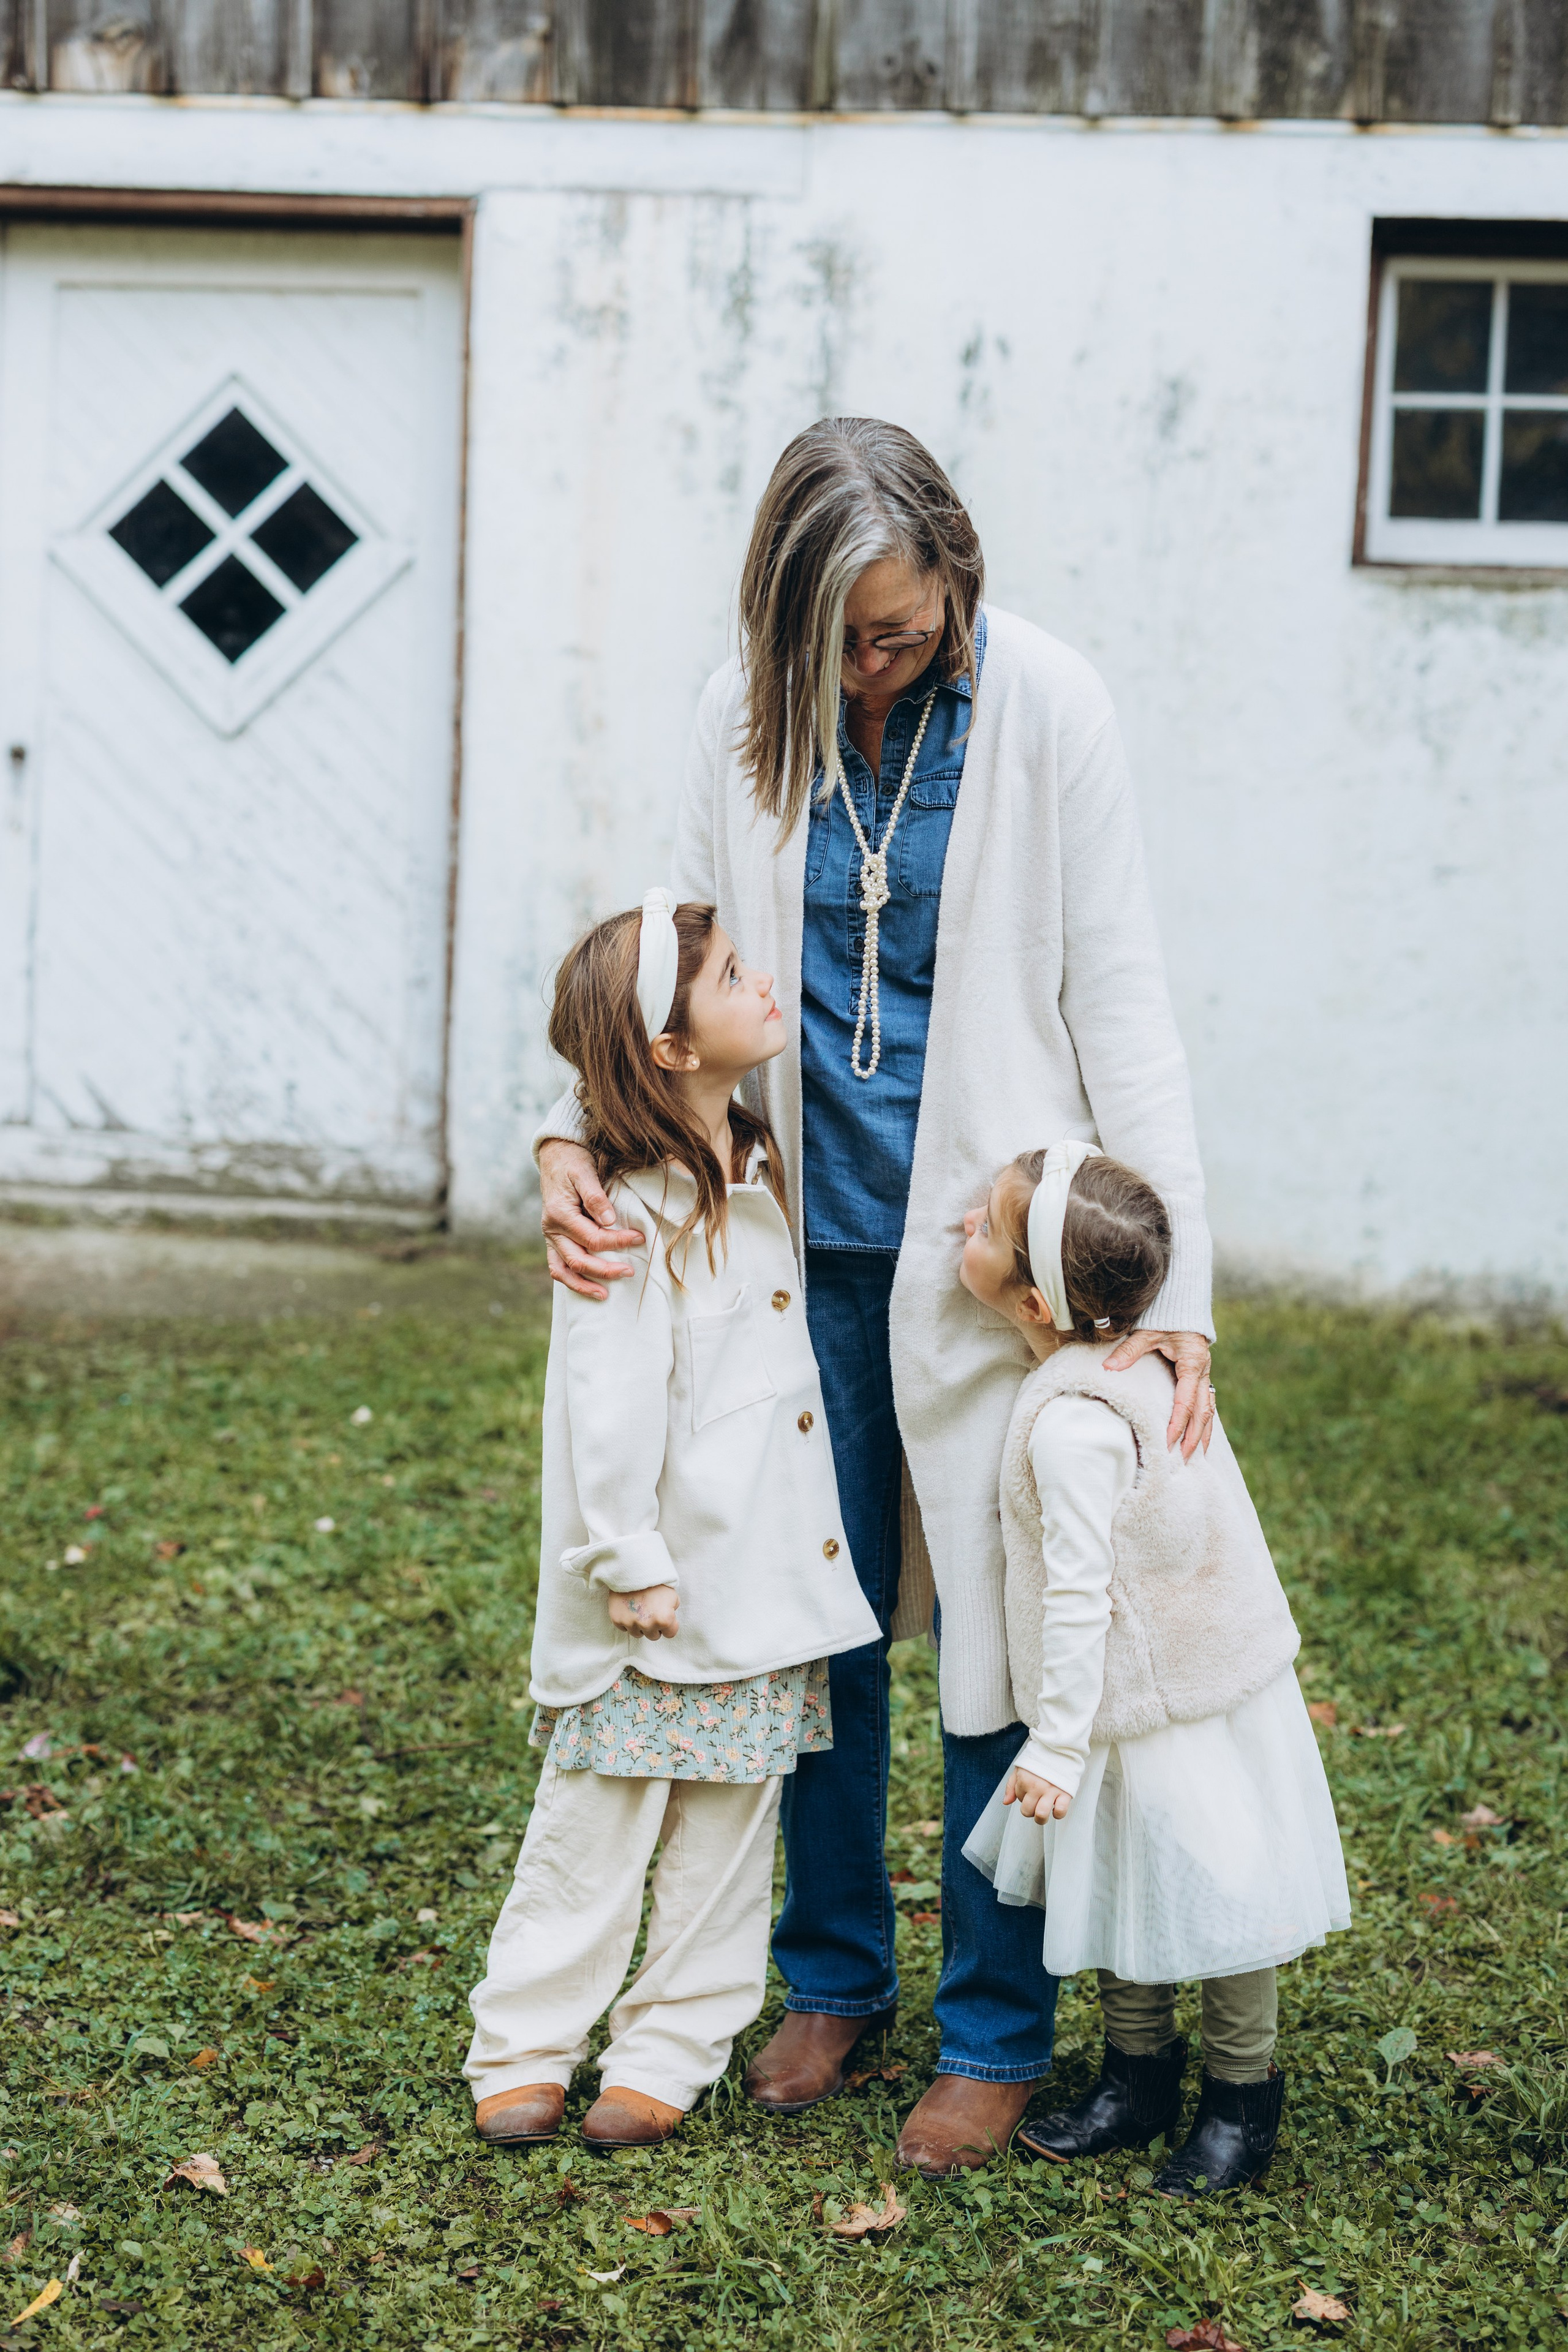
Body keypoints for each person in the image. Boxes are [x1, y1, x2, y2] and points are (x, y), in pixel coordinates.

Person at [537, 417, 1218, 2179]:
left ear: (958, 584)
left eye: (896, 637)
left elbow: (1121, 994)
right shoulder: (739, 710)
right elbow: (667, 964)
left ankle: (993, 2029)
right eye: (831, 641)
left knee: (1000, 1637)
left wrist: (1176, 1297)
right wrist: (570, 1139)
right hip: (783, 1260)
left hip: (998, 1275)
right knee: (805, 1629)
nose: (863, 671)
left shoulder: (1049, 706)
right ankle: (830, 1978)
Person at [466, 891, 880, 2152]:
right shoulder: (622, 1209)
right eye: (733, 977)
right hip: (657, 1588)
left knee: (726, 1835)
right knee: (594, 1822)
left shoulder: (755, 1151)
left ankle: (668, 2052)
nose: (766, 983)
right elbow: (605, 1404)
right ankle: (525, 2045)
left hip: (761, 1574)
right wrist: (627, 1559)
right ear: (670, 1048)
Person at [959, 1140, 1350, 2194]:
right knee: (1122, 1882)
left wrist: (1054, 1743)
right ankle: (1137, 2077)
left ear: (1033, 1301)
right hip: (1159, 1688)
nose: (967, 1228)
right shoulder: (1140, 1365)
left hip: (1164, 1700)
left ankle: (1240, 2094)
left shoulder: (1075, 1424)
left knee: (1217, 1897)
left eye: (986, 1227)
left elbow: (1080, 1593)